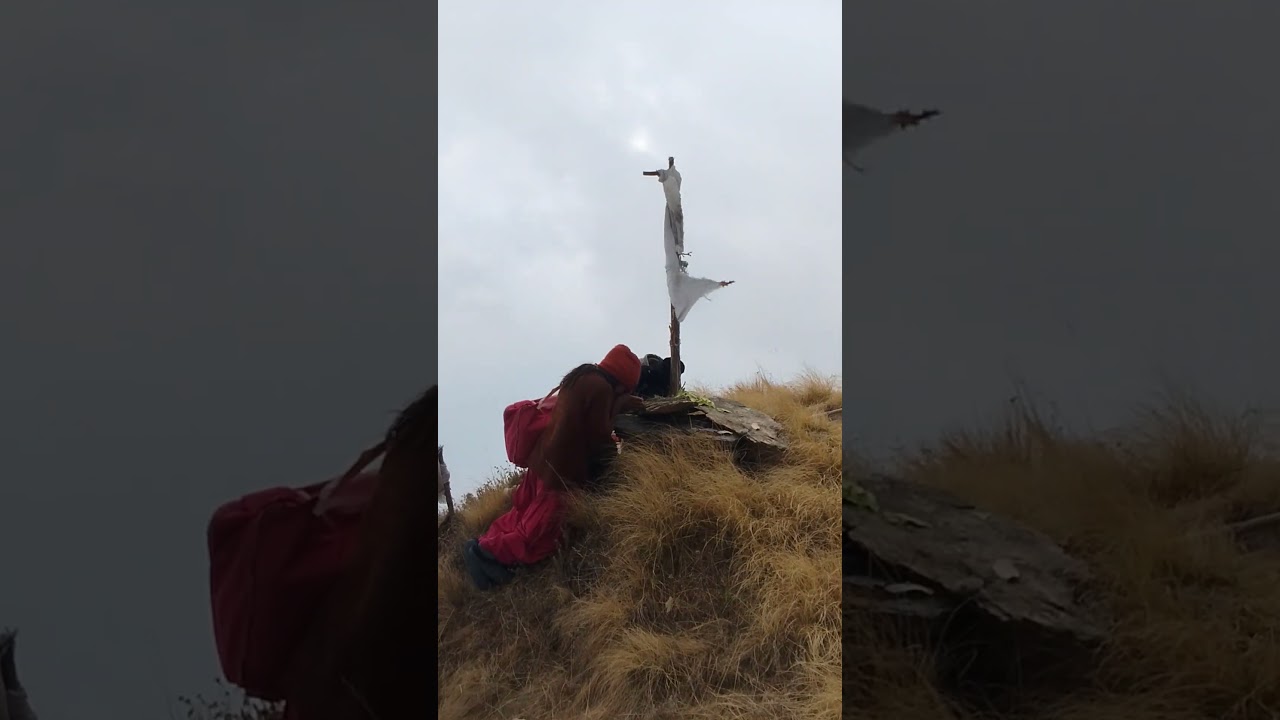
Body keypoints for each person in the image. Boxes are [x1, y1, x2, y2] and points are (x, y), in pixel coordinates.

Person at [463, 344, 643, 591]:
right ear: (622, 381)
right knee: (538, 536)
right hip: (559, 475)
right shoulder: (600, 389)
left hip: (541, 464)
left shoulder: (583, 377)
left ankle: (482, 545)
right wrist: (617, 468)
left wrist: (617, 403)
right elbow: (599, 437)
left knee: (520, 517)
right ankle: (483, 554)